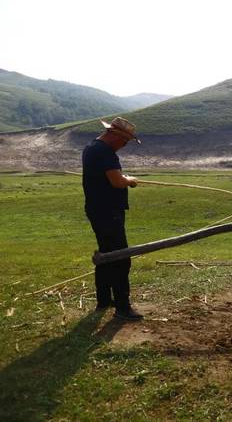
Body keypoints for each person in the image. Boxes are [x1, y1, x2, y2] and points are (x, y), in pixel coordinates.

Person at [82, 116, 143, 321]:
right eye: (124, 141)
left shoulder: (91, 148)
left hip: (97, 210)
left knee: (106, 254)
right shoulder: (105, 152)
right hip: (109, 212)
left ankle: (104, 299)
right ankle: (123, 307)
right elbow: (117, 182)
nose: (124, 146)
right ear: (115, 135)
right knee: (120, 257)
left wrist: (124, 179)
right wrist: (130, 181)